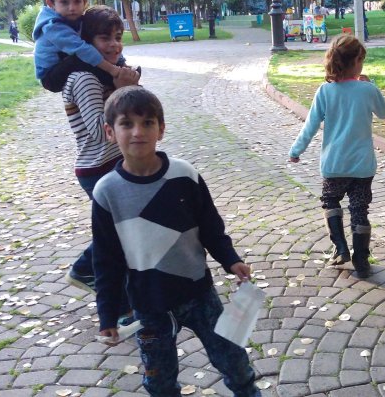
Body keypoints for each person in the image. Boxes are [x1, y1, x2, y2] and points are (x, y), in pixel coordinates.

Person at [93, 86, 260, 397]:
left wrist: (231, 259)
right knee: (159, 380)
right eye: (127, 123)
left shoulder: (184, 175)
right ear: (110, 132)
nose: (138, 132)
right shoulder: (107, 192)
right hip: (148, 304)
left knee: (234, 360)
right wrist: (108, 314)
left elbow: (211, 226)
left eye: (147, 123)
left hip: (199, 293)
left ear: (161, 129)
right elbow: (106, 260)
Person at [288, 35, 385, 278]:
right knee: (359, 209)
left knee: (330, 201)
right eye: (361, 60)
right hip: (363, 166)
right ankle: (361, 259)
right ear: (356, 61)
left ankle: (340, 248)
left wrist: (296, 150)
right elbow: (384, 112)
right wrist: (372, 85)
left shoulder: (325, 91)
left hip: (334, 164)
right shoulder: (367, 90)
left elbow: (310, 126)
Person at [61, 5, 140, 298]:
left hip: (115, 163)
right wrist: (121, 91)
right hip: (97, 168)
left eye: (118, 37)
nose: (114, 45)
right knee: (121, 231)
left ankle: (129, 297)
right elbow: (100, 131)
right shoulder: (85, 78)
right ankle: (86, 270)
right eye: (105, 38)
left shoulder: (106, 74)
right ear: (86, 43)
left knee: (127, 230)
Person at [33, 0, 139, 93]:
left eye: (77, 1)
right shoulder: (52, 26)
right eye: (64, 2)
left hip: (63, 61)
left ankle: (125, 73)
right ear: (51, 4)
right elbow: (82, 49)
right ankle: (116, 78)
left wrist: (122, 63)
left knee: (89, 48)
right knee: (81, 57)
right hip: (50, 76)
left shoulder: (75, 20)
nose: (72, 8)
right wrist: (113, 70)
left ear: (84, 2)